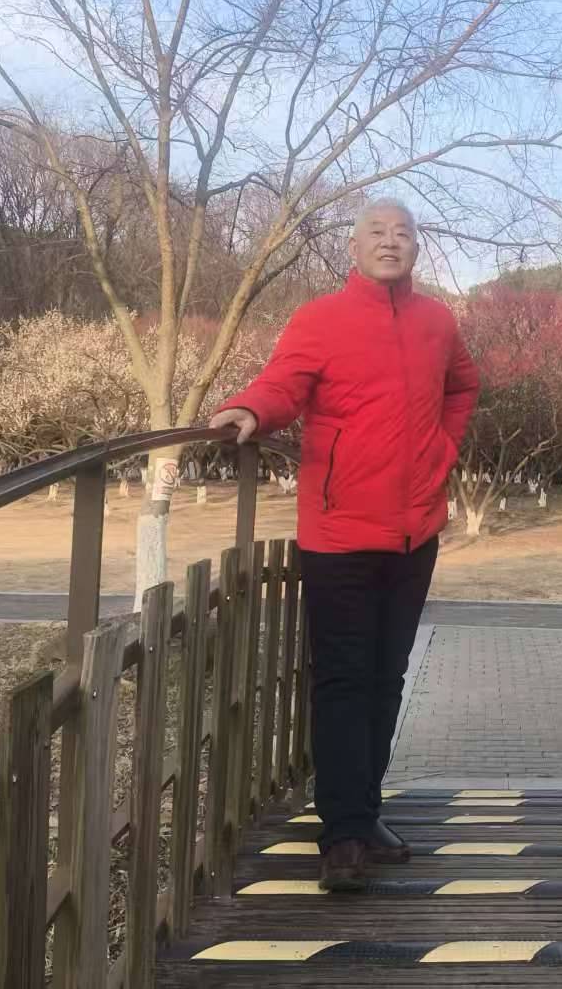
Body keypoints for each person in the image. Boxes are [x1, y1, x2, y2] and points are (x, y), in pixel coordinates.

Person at [209, 198, 478, 891]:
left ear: (416, 247)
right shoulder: (320, 319)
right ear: (353, 247)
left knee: (387, 678)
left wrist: (443, 447)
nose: (391, 242)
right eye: (377, 233)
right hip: (339, 533)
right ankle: (342, 835)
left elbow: (464, 385)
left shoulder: (437, 321)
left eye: (403, 233)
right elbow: (283, 384)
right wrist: (251, 407)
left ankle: (364, 810)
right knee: (343, 679)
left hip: (415, 531)